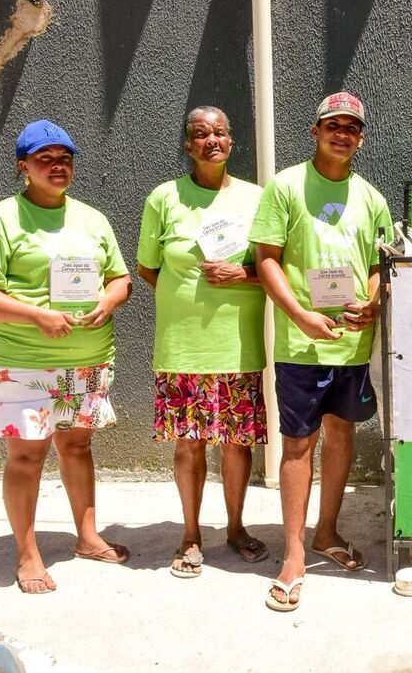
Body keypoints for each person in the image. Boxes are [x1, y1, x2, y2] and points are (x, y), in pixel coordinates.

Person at [0, 120, 132, 593]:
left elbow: (120, 277)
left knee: (77, 446)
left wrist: (109, 301)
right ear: (23, 167)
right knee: (26, 458)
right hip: (24, 364)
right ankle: (28, 553)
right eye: (45, 159)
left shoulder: (92, 219)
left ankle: (88, 537)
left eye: (65, 158)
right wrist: (36, 315)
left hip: (89, 358)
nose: (57, 166)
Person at [250, 91, 392, 612]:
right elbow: (266, 259)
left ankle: (325, 533)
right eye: (333, 125)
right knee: (297, 446)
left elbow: (378, 266)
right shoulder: (285, 186)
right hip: (300, 342)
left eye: (351, 128)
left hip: (352, 345)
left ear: (360, 137)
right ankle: (292, 555)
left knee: (341, 435)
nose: (342, 134)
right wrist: (300, 315)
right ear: (315, 131)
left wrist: (373, 303)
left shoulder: (371, 197)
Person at [136, 107, 269, 578]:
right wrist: (184, 298)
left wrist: (243, 274)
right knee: (189, 445)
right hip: (182, 345)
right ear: (188, 145)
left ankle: (235, 528)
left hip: (237, 343)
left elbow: (277, 267)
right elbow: (148, 267)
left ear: (231, 141)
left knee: (236, 444)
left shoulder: (258, 198)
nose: (211, 139)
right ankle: (191, 536)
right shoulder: (164, 197)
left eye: (220, 132)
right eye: (200, 134)